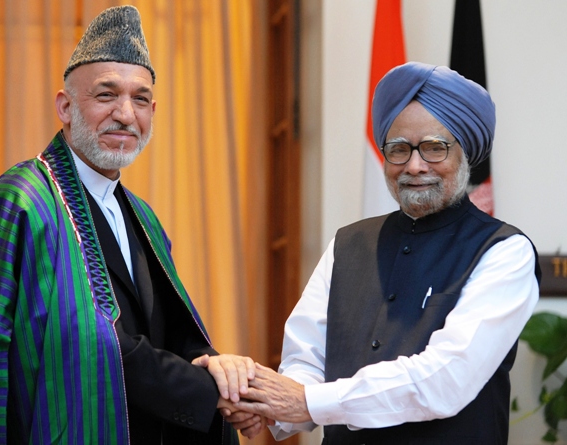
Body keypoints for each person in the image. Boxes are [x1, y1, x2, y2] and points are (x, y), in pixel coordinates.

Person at [0, 6, 254, 444]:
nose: (126, 115)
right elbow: (83, 342)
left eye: (141, 99)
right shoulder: (23, 201)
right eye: (106, 95)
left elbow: (167, 330)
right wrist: (210, 394)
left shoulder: (143, 216)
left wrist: (216, 366)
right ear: (66, 106)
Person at [229, 62, 541, 444]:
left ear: (465, 153)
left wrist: (308, 403)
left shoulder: (505, 252)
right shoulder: (348, 245)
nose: (414, 165)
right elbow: (306, 358)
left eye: (433, 147)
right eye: (398, 149)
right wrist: (268, 402)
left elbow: (445, 380)